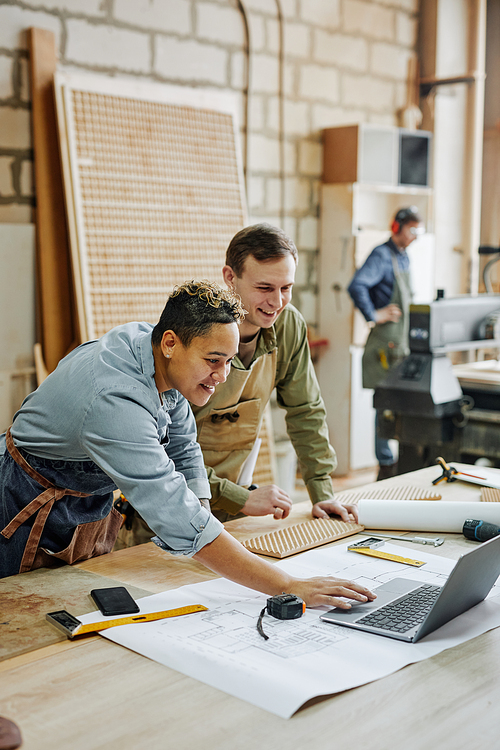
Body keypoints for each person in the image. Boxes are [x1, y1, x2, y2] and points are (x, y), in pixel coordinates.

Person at [0, 279, 374, 610]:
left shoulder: (159, 356)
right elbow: (172, 508)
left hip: (78, 500)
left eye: (228, 361)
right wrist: (288, 585)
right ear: (170, 343)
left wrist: (203, 510)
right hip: (25, 501)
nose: (222, 375)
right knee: (21, 617)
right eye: (213, 360)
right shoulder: (115, 400)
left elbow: (182, 447)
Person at [347, 206, 424, 480]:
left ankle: (397, 464)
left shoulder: (403, 258)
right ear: (397, 227)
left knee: (399, 404)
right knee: (385, 405)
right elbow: (357, 285)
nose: (415, 236)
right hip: (385, 345)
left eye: (419, 230)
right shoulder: (381, 256)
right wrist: (373, 315)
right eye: (412, 229)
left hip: (401, 343)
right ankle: (386, 466)